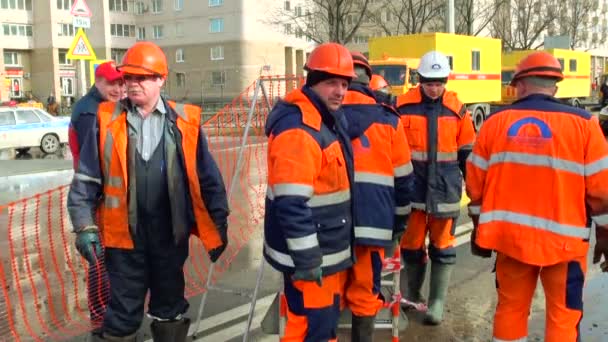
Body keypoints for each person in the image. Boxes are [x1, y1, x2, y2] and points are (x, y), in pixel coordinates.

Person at [67, 41, 229, 342]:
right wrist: (83, 226)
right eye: (128, 77)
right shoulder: (106, 121)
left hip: (170, 236)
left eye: (141, 78)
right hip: (123, 239)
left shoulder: (185, 123)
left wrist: (219, 222)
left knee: (170, 308)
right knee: (122, 313)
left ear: (160, 80)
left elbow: (209, 180)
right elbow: (86, 179)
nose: (132, 84)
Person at [466, 51, 608, 342]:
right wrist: (606, 235)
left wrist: (478, 228)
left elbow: (474, 185)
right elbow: (602, 192)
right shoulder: (585, 125)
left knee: (511, 311)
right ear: (555, 86)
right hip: (565, 246)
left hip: (510, 242)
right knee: (563, 317)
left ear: (519, 85)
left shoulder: (494, 123)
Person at [263, 42, 355, 341]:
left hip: (320, 251)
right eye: (331, 83)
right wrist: (309, 261)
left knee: (302, 325)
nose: (340, 91)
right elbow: (291, 203)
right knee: (315, 330)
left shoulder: (321, 121)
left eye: (344, 83)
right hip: (315, 257)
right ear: (312, 81)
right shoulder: (300, 130)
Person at [396, 50, 476, 325]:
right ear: (420, 80)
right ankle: (414, 293)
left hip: (445, 191)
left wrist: (475, 192)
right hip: (412, 191)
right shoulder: (402, 107)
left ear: (446, 81)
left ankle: (437, 302)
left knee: (443, 247)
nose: (434, 88)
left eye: (439, 82)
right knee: (411, 247)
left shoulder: (458, 109)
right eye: (429, 82)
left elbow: (467, 153)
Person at [342, 52, 413, 341]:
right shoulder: (389, 121)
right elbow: (404, 181)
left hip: (326, 226)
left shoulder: (316, 116)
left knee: (323, 294)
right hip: (373, 227)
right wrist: (397, 227)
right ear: (369, 81)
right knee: (364, 292)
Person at [69, 61, 125, 169]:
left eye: (121, 84)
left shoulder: (106, 104)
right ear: (97, 82)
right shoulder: (89, 112)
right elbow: (90, 160)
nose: (117, 90)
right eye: (111, 83)